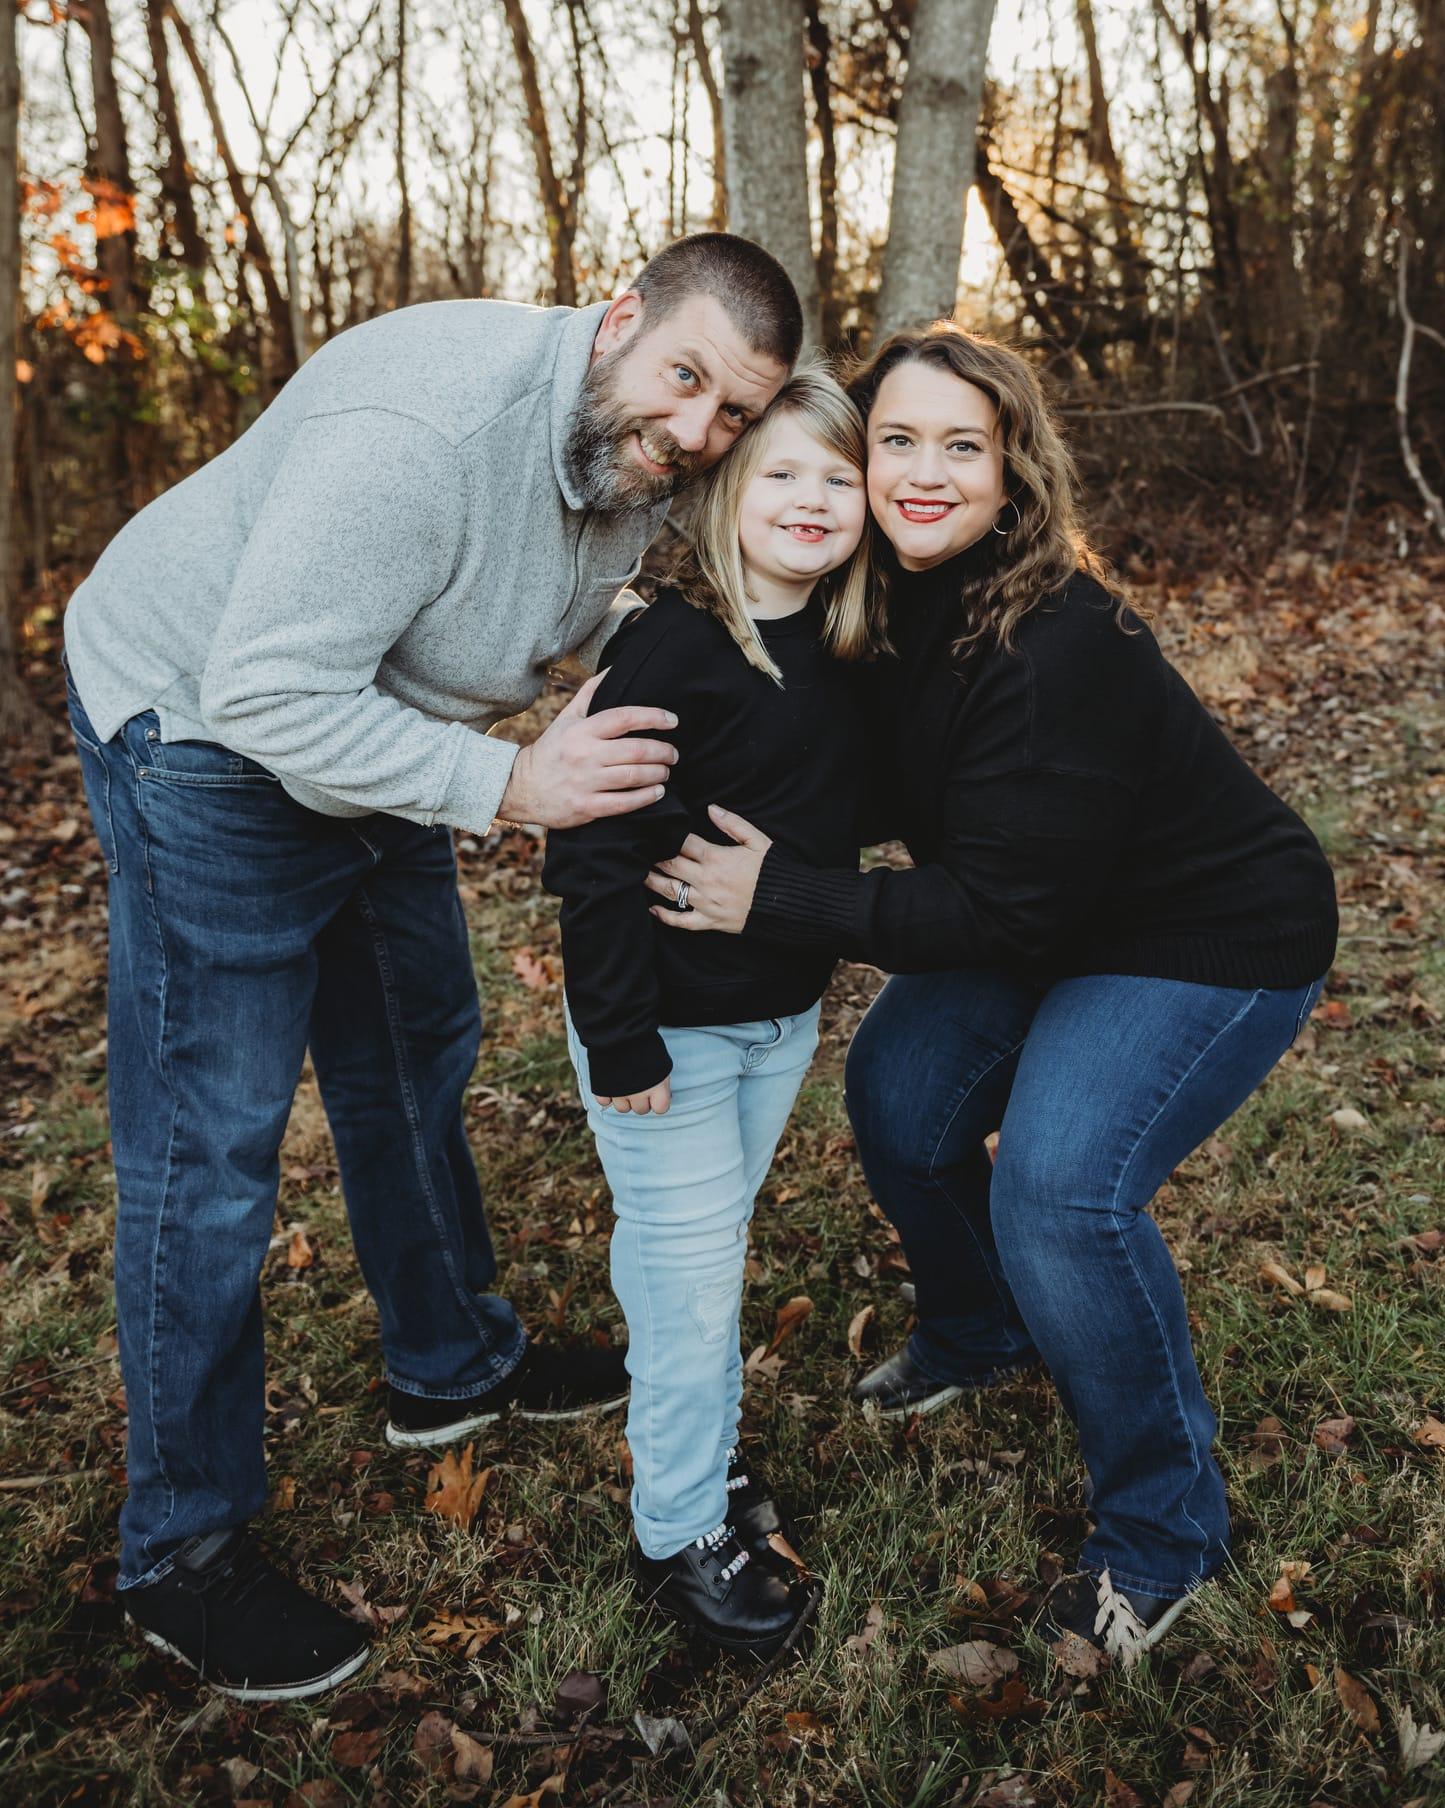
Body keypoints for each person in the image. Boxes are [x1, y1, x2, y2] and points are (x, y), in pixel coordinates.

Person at [61, 233, 800, 1701]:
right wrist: (508, 788)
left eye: (733, 412)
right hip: (205, 728)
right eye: (685, 381)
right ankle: (181, 1554)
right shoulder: (420, 438)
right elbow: (274, 687)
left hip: (376, 727)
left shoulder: (625, 453)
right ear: (618, 318)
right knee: (212, 1150)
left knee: (414, 1050)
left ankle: (450, 1365)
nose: (699, 434)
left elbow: (553, 606)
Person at [642, 324, 1337, 1670]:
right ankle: (979, 1332)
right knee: (899, 1098)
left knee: (1063, 1194)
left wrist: (775, 894)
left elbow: (995, 913)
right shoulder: (882, 599)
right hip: (1043, 905)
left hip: (1203, 935)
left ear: (1014, 471)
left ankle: (1164, 1531)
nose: (922, 471)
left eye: (961, 446)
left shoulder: (1058, 646)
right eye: (895, 441)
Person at [542, 368, 876, 1661]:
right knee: (694, 1297)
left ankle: (695, 1450)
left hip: (776, 1023)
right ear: (728, 491)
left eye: (836, 477)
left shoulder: (852, 651)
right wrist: (620, 1040)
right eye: (780, 471)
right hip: (662, 1036)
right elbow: (588, 862)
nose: (809, 498)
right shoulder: (675, 649)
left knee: (692, 1259)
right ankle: (680, 1530)